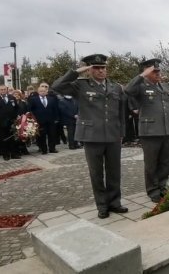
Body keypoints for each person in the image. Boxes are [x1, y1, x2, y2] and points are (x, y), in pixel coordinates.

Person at [52, 53, 128, 219]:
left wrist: (121, 132)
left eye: (103, 68)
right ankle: (102, 205)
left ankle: (115, 202)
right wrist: (76, 71)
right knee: (96, 173)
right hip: (92, 136)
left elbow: (121, 111)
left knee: (114, 171)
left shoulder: (115, 87)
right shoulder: (81, 85)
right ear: (89, 70)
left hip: (113, 135)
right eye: (96, 68)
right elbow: (56, 86)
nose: (101, 71)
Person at [124, 58, 169, 203]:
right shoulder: (140, 86)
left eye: (158, 71)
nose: (158, 73)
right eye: (154, 71)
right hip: (150, 131)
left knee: (165, 162)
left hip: (167, 130)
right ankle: (153, 190)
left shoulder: (164, 86)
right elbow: (128, 90)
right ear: (146, 72)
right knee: (151, 163)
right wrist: (141, 76)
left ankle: (162, 186)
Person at [0, 85, 20, 160]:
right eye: (1, 90)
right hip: (0, 123)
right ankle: (6, 155)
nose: (3, 91)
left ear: (7, 90)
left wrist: (17, 116)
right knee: (3, 139)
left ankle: (14, 154)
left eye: (4, 89)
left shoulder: (12, 98)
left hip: (12, 122)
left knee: (13, 138)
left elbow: (16, 108)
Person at [28, 82, 59, 154]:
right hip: (39, 121)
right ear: (38, 92)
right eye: (41, 91)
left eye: (44, 91)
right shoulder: (33, 99)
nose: (42, 92)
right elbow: (30, 110)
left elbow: (55, 109)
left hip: (51, 121)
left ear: (47, 92)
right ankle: (43, 149)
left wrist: (56, 118)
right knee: (42, 136)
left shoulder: (51, 99)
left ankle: (52, 148)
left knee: (52, 135)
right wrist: (33, 120)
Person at [13, 89, 30, 155]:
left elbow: (27, 111)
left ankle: (23, 148)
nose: (16, 96)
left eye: (18, 95)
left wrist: (24, 116)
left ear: (20, 96)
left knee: (23, 135)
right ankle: (17, 150)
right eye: (15, 95)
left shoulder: (23, 103)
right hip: (14, 121)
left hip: (23, 120)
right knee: (16, 136)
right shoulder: (11, 103)